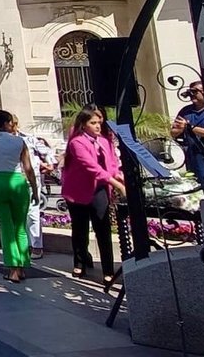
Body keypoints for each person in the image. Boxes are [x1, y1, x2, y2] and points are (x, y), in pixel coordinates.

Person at [63, 105, 127, 285]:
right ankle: (80, 262)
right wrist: (115, 184)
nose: (98, 126)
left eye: (99, 122)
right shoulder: (77, 142)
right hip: (78, 190)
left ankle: (108, 269)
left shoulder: (105, 141)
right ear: (83, 125)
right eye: (93, 123)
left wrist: (117, 175)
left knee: (103, 227)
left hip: (99, 189)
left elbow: (112, 163)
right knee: (80, 228)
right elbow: (91, 167)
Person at [0, 110, 40, 283]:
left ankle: (12, 267)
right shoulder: (19, 141)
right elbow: (28, 168)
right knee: (20, 226)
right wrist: (34, 189)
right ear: (6, 123)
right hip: (17, 182)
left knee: (5, 227)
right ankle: (22, 266)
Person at [20, 130, 55, 259]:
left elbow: (47, 151)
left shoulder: (29, 139)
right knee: (20, 213)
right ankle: (25, 244)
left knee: (32, 211)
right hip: (14, 178)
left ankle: (36, 245)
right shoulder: (1, 139)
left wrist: (49, 164)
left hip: (31, 179)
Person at [171, 80, 204, 185]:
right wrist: (180, 129)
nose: (192, 95)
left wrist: (190, 127)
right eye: (190, 92)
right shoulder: (185, 111)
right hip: (191, 156)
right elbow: (173, 132)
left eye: (195, 92)